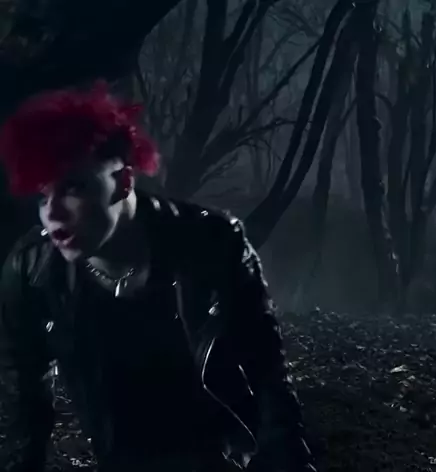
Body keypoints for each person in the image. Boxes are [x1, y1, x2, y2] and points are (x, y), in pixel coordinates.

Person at [0, 83, 316, 472]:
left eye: (73, 188)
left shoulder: (211, 242)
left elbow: (267, 370)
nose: (53, 213)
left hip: (225, 457)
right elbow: (23, 402)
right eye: (43, 196)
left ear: (123, 182)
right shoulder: (33, 270)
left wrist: (285, 458)